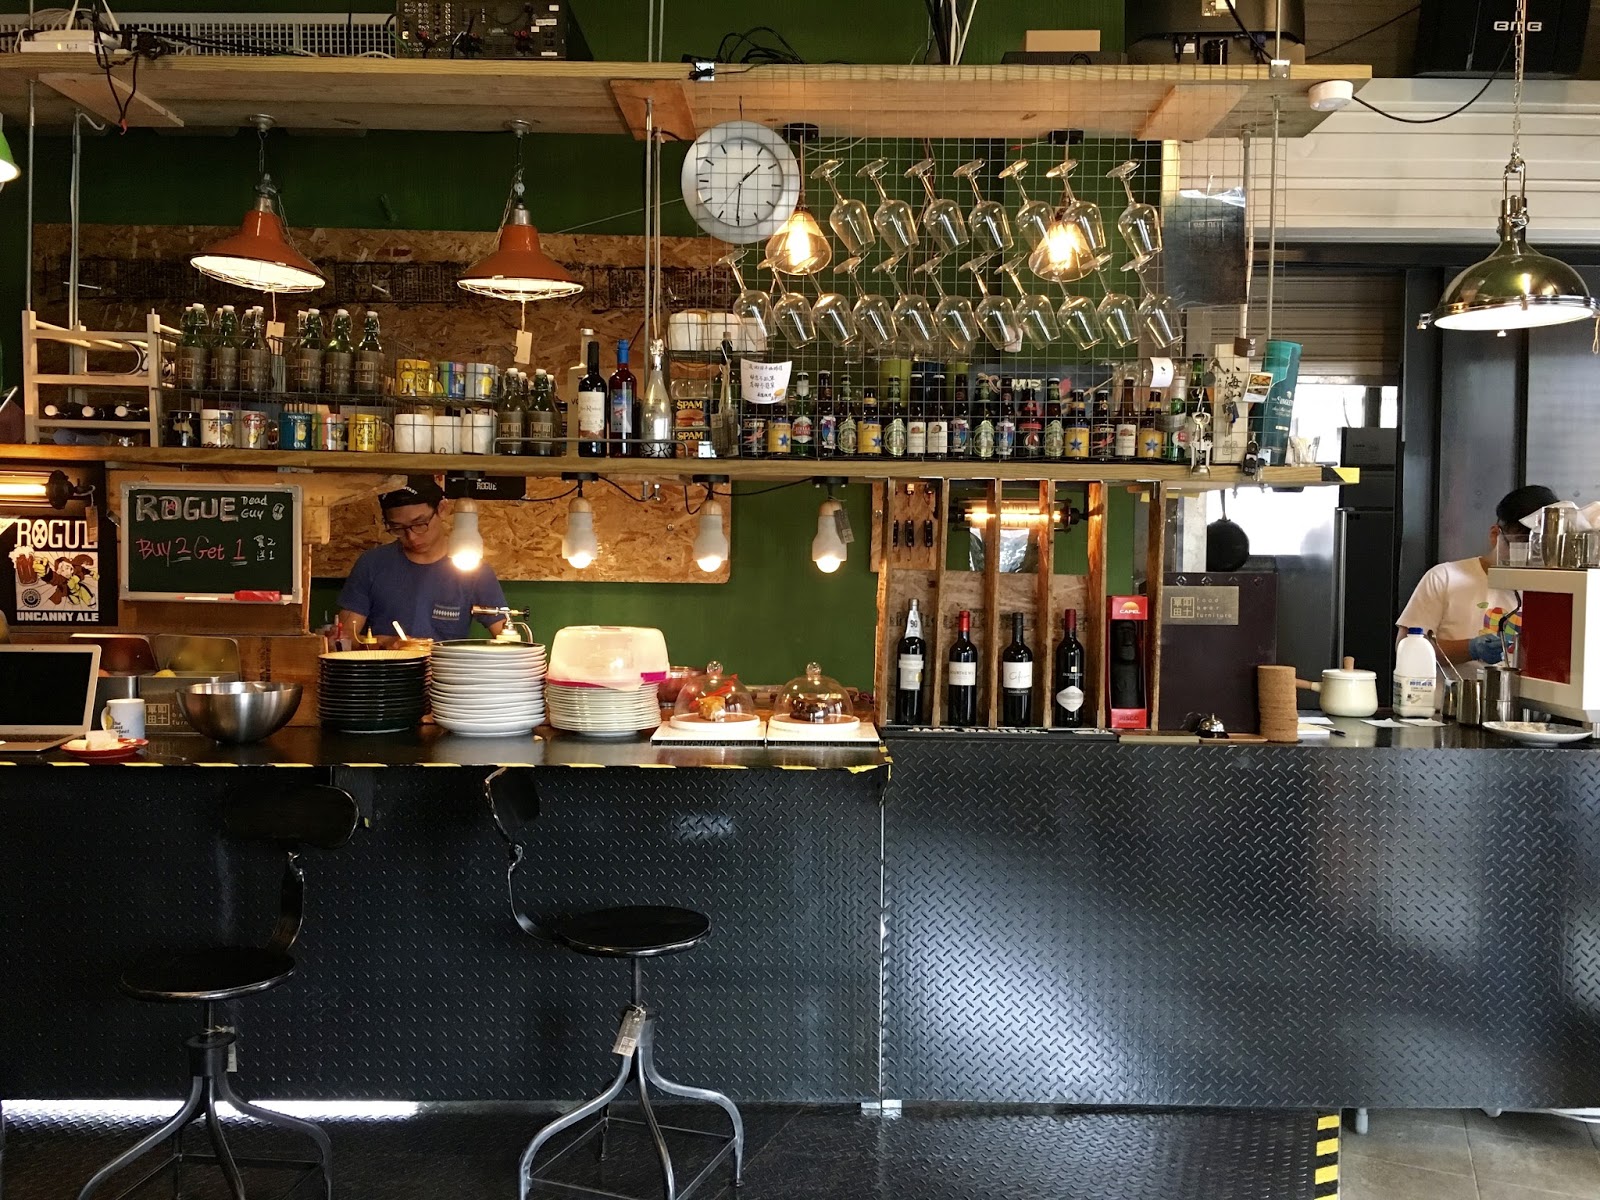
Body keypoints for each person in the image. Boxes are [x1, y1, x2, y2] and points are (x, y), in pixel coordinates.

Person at [1396, 484, 1557, 667]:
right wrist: (1471, 648)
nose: (1529, 558)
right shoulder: (1444, 578)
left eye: (1540, 549)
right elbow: (1405, 647)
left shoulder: (1554, 588)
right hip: (1456, 686)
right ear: (1495, 535)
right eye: (1521, 546)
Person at [337, 477, 507, 644]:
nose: (411, 537)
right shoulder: (372, 564)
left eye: (419, 524)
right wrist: (385, 644)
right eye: (398, 528)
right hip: (385, 661)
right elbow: (345, 638)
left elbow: (506, 636)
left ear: (441, 509)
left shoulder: (473, 569)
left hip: (446, 663)